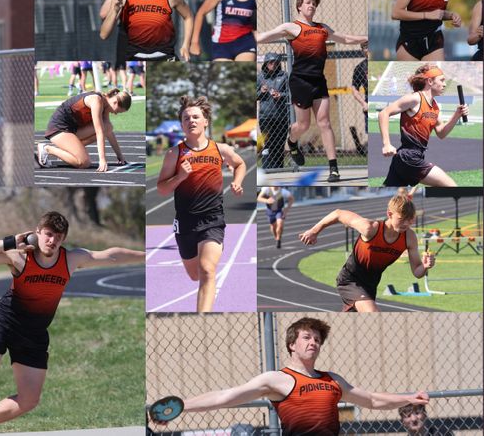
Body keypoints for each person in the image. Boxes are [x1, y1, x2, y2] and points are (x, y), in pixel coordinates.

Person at [0, 212, 145, 435]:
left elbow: (111, 255)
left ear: (63, 239)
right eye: (48, 234)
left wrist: (146, 255)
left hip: (34, 333)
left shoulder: (71, 259)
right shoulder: (20, 257)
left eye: (58, 237)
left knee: (29, 400)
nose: (52, 241)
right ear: (36, 233)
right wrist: (10, 241)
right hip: (4, 323)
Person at [151, 317, 429, 434]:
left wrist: (408, 397)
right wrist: (181, 407)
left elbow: (371, 400)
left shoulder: (332, 379)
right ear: (291, 345)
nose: (313, 343)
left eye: (318, 339)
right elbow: (227, 397)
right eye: (307, 337)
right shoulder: (276, 379)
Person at [255, 0, 368, 182]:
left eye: (314, 4)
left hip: (318, 80)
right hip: (300, 81)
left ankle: (333, 168)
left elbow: (346, 39)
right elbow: (263, 37)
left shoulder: (322, 28)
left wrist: (366, 37)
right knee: (303, 124)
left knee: (324, 122)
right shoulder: (291, 27)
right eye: (308, 3)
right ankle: (292, 142)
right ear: (299, 6)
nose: (311, 6)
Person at [154, 97, 247, 312]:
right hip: (185, 223)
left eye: (196, 117)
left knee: (206, 270)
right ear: (181, 125)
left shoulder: (220, 149)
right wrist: (179, 177)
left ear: (206, 121)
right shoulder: (174, 154)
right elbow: (161, 189)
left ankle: (202, 316)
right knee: (194, 274)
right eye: (186, 118)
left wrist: (237, 181)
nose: (191, 121)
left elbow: (240, 164)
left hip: (213, 220)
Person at [298, 194, 435, 312]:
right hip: (350, 280)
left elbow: (417, 272)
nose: (406, 224)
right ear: (390, 214)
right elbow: (338, 213)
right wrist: (314, 231)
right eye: (401, 219)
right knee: (372, 312)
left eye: (410, 220)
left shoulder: (409, 237)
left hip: (370, 285)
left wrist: (425, 266)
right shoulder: (370, 228)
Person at [377, 64, 467, 187]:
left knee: (393, 195)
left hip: (406, 158)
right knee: (451, 186)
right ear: (430, 81)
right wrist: (386, 144)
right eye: (441, 80)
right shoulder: (415, 98)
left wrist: (457, 115)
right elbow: (384, 113)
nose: (445, 84)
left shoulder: (434, 106)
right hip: (408, 157)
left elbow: (441, 132)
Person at [36, 89, 134, 171]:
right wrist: (102, 160)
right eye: (117, 111)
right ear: (115, 102)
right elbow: (99, 132)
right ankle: (47, 149)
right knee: (84, 163)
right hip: (58, 128)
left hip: (71, 129)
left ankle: (70, 149)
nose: (116, 114)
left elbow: (109, 132)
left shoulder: (106, 106)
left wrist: (120, 156)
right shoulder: (97, 101)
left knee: (108, 126)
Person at [257, 53, 290, 168]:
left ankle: (278, 168)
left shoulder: (284, 76)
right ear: (266, 63)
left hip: (281, 116)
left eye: (276, 62)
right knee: (268, 143)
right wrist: (261, 91)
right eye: (271, 62)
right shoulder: (260, 77)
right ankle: (267, 168)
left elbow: (291, 94)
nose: (273, 64)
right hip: (265, 117)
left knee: (279, 144)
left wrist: (280, 95)